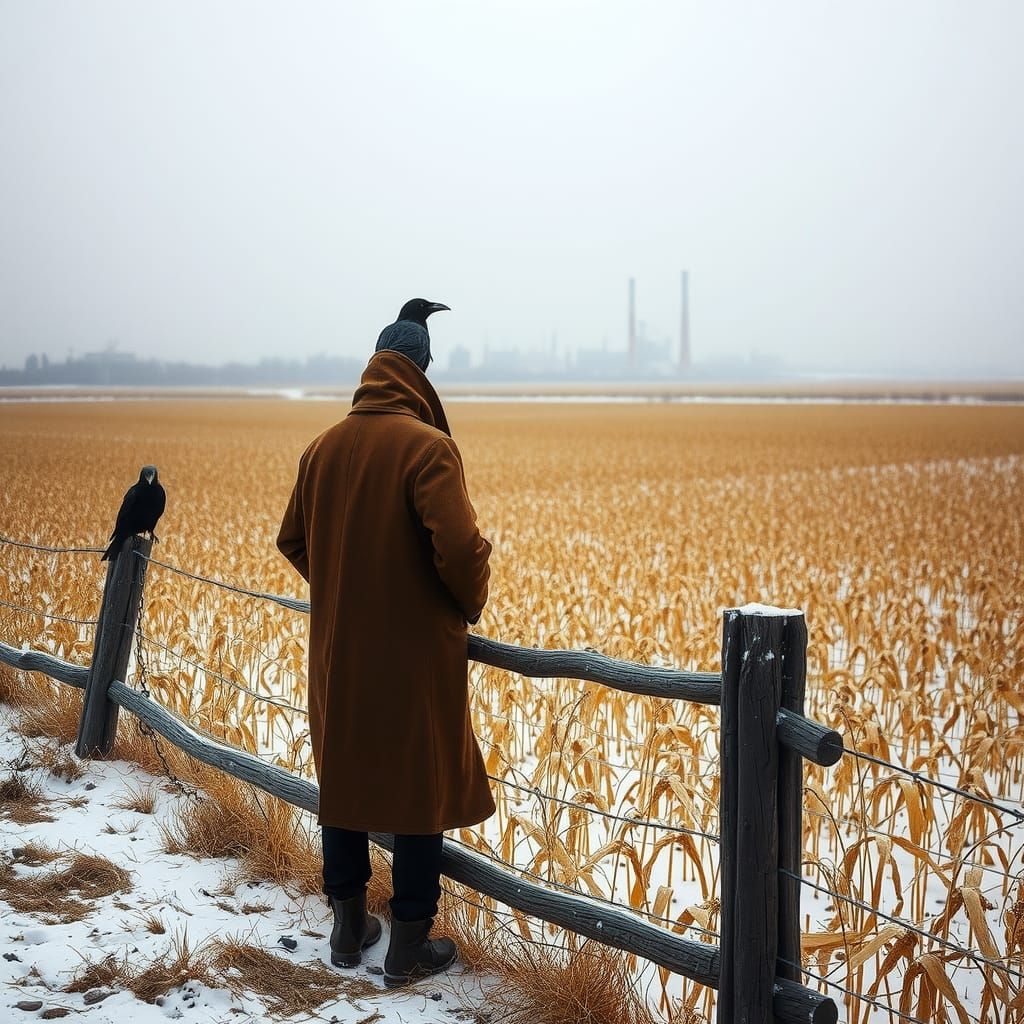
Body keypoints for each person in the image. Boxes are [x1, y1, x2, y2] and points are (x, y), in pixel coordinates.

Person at [276, 302, 495, 988]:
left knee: (344, 777)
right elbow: (460, 550)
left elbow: (293, 539)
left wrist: (347, 588)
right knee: (417, 787)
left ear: (373, 367)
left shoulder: (322, 448)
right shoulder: (428, 447)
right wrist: (463, 603)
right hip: (412, 657)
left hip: (339, 651)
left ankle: (347, 929)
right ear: (422, 373)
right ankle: (408, 946)